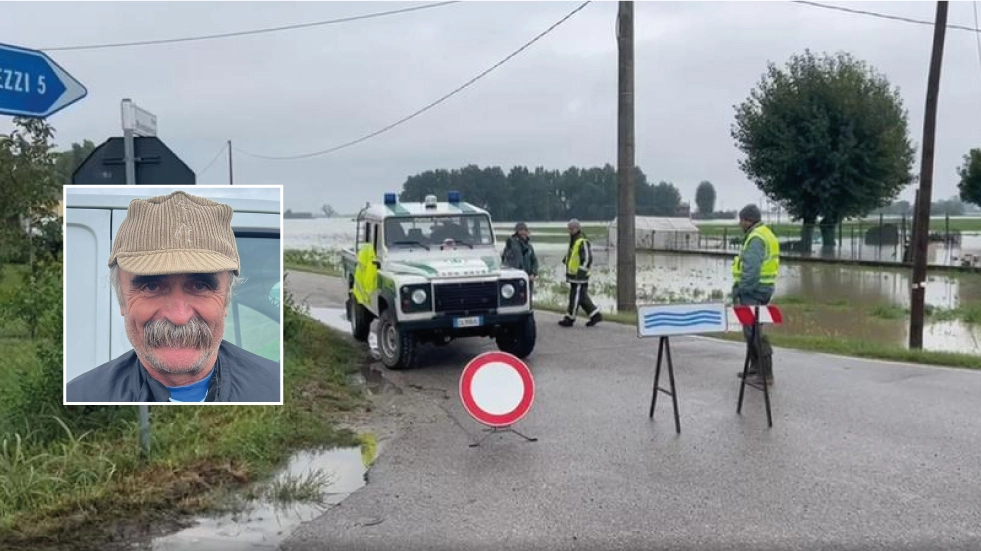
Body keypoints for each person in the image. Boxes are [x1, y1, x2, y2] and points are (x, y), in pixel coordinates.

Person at [66, 190, 281, 403]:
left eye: (200, 285)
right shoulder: (79, 395)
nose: (179, 316)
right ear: (121, 297)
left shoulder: (276, 387)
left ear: (226, 298)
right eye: (151, 286)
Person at [732, 204, 780, 386]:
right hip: (762, 288)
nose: (739, 223)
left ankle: (766, 374)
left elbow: (751, 270)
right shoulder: (764, 233)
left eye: (741, 219)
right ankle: (755, 368)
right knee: (750, 329)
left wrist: (741, 289)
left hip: (753, 291)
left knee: (753, 331)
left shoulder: (756, 238)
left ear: (747, 220)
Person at [559, 219, 602, 327]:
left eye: (571, 228)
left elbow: (587, 258)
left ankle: (570, 318)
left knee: (575, 297)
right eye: (569, 228)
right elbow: (573, 255)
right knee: (581, 296)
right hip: (573, 275)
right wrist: (566, 260)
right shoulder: (574, 239)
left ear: (577, 228)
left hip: (579, 276)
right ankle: (595, 314)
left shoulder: (582, 240)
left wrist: (581, 272)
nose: (569, 231)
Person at [501, 222, 539, 294]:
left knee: (528, 298)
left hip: (529, 278)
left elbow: (534, 260)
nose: (523, 232)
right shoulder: (512, 244)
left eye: (525, 230)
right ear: (517, 232)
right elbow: (505, 260)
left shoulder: (529, 246)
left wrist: (534, 273)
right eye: (521, 230)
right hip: (517, 277)